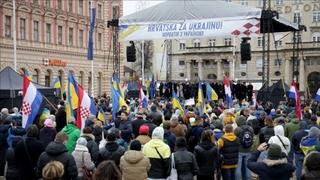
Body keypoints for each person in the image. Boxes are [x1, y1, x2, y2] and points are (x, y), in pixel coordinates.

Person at [234, 115, 254, 180]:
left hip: (239, 150)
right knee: (247, 167)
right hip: (248, 150)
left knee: (238, 168)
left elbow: (234, 139)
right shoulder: (251, 128)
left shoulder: (237, 129)